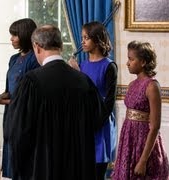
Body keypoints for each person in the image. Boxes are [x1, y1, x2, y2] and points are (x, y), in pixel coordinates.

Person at [5, 25, 108, 180]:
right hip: (77, 166)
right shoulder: (83, 81)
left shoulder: (31, 81)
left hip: (43, 165)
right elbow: (98, 118)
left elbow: (18, 130)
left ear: (37, 47)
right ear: (60, 46)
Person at [111, 40, 169, 179]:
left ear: (143, 62)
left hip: (144, 143)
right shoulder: (132, 84)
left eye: (131, 59)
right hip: (129, 139)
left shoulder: (152, 86)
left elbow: (155, 126)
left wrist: (143, 160)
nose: (127, 63)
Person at [68, 21, 117, 180]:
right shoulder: (81, 65)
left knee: (97, 171)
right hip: (82, 121)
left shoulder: (109, 66)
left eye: (86, 38)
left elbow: (109, 101)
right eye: (82, 37)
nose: (82, 41)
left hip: (100, 122)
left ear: (98, 40)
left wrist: (94, 123)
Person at [0, 18, 40, 179]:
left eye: (15, 35)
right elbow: (8, 91)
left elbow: (32, 94)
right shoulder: (13, 59)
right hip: (11, 112)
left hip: (26, 114)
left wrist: (3, 100)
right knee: (11, 150)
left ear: (25, 35)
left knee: (24, 157)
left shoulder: (35, 59)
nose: (11, 39)